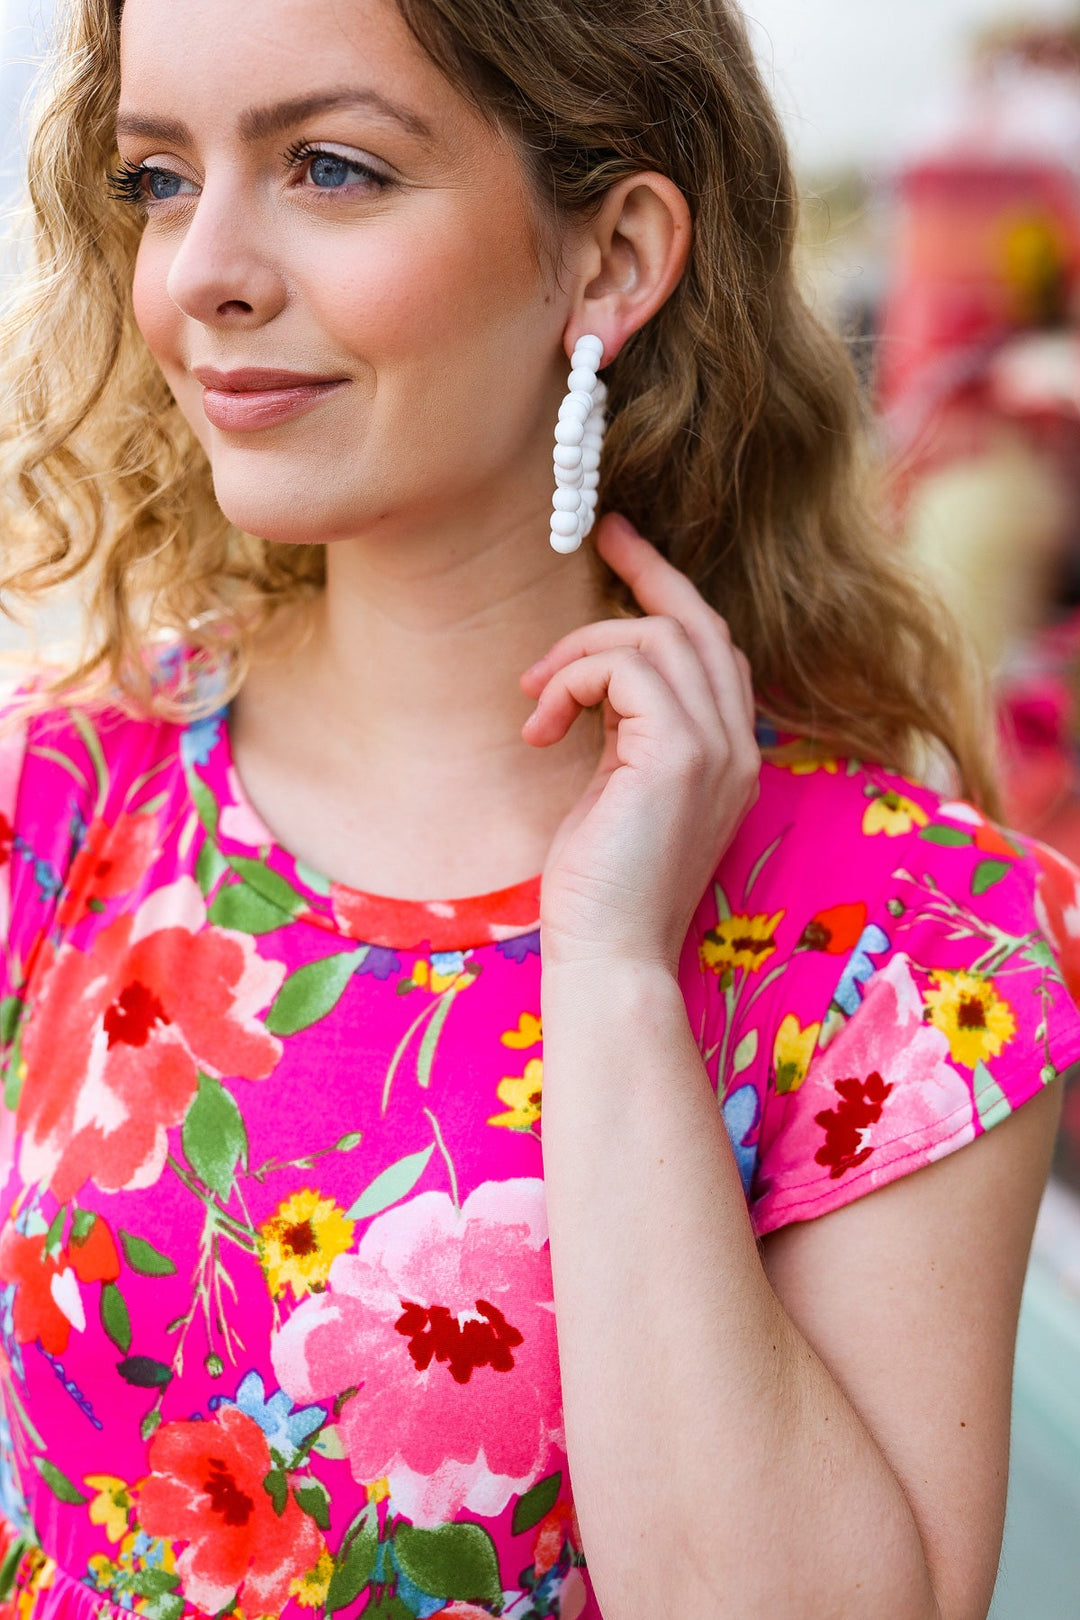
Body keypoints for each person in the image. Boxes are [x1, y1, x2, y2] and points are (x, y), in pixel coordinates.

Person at [0, 0, 1076, 1616]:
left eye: (331, 166)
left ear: (613, 259)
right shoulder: (64, 790)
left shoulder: (920, 957)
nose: (198, 270)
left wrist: (617, 972)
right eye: (157, 176)